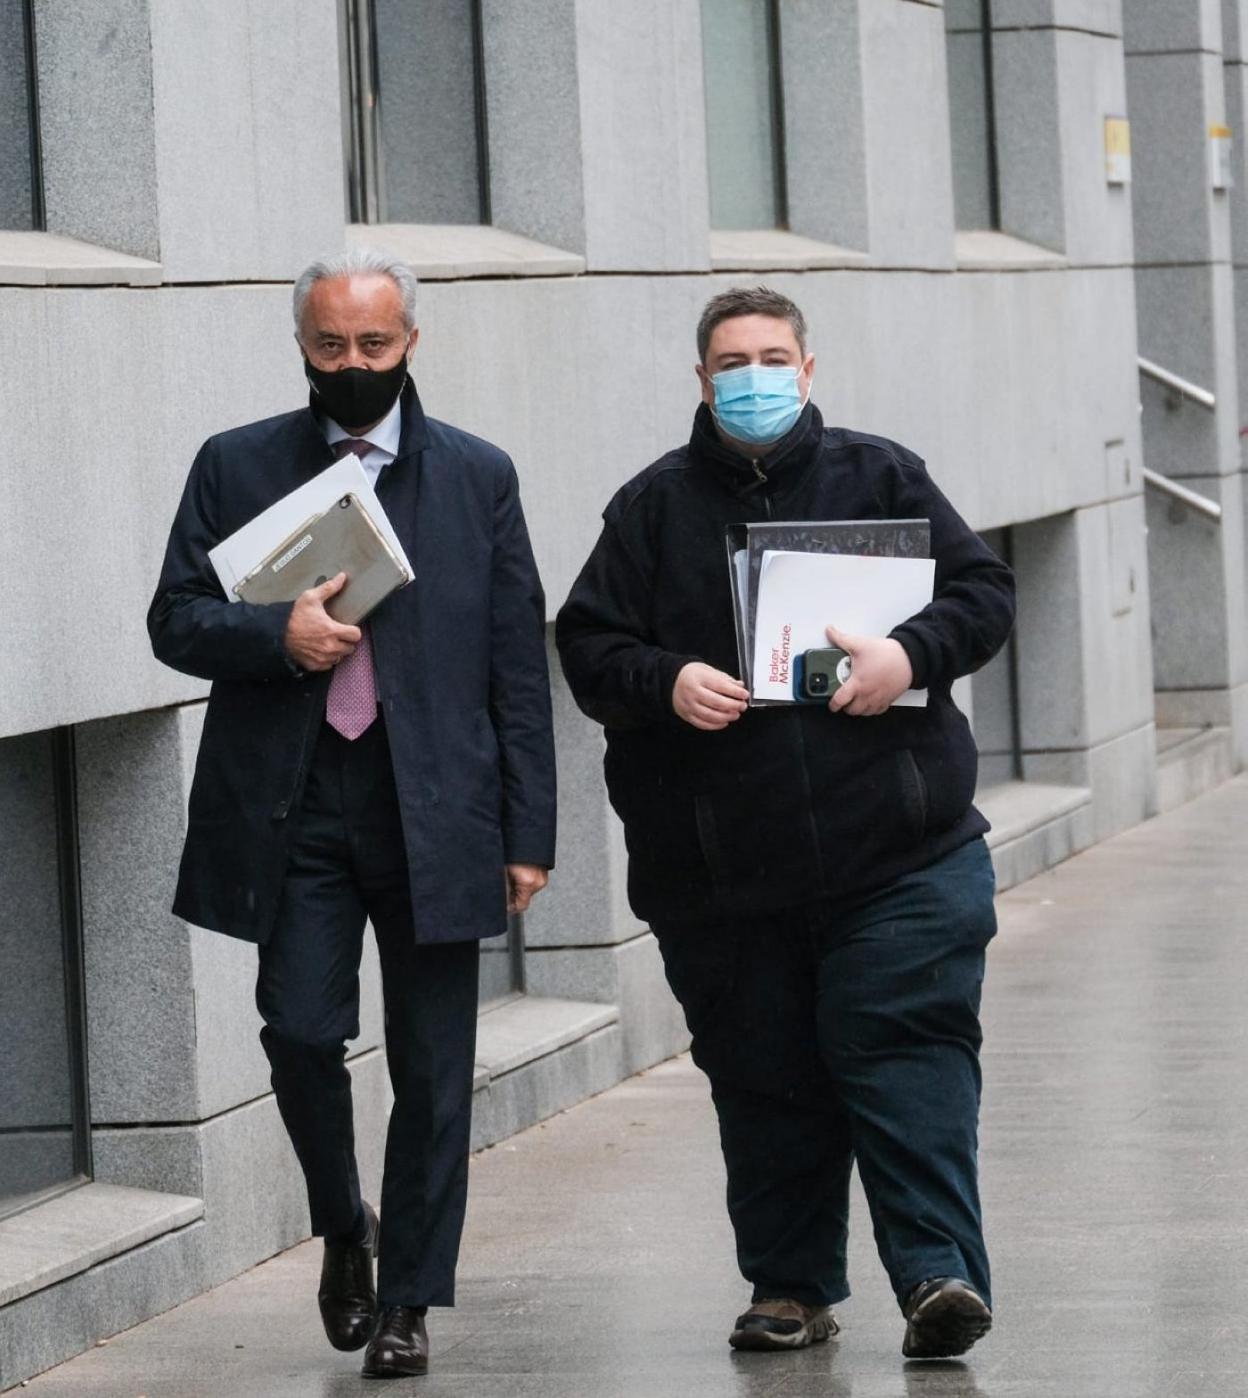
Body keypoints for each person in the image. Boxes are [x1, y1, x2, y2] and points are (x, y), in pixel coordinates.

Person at [556, 286, 1014, 1361]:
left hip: (901, 853)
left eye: (772, 357)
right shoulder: (651, 510)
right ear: (701, 379)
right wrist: (665, 681)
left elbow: (983, 593)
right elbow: (588, 646)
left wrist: (909, 656)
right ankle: (791, 1287)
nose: (752, 377)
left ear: (808, 370)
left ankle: (938, 1273)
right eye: (730, 361)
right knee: (766, 1080)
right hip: (724, 873)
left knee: (905, 1056)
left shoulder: (882, 475)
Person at [148, 247, 556, 1380]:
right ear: (302, 347)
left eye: (374, 345)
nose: (354, 364)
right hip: (294, 803)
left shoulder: (477, 476)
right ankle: (345, 1226)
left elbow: (517, 664)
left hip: (437, 804)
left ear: (411, 343)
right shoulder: (235, 465)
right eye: (331, 346)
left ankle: (410, 1304)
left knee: (433, 1067)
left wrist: (530, 833)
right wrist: (273, 637)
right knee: (297, 1029)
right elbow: (173, 619)